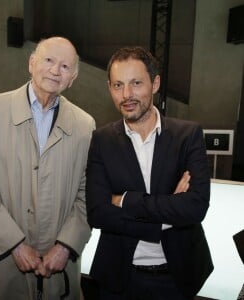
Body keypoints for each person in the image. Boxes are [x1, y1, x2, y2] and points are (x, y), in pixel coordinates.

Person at [0, 37, 95, 300]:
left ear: (73, 78)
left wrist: (66, 246)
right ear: (31, 63)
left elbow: (88, 194)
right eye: (48, 60)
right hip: (5, 258)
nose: (56, 71)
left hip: (60, 264)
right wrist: (15, 245)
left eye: (65, 67)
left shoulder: (85, 125)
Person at [85, 46, 213, 300]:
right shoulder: (101, 140)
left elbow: (195, 207)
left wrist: (124, 201)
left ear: (154, 84)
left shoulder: (188, 135)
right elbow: (98, 213)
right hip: (119, 278)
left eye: (136, 83)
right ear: (109, 87)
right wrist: (168, 214)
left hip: (177, 277)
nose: (127, 94)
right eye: (118, 85)